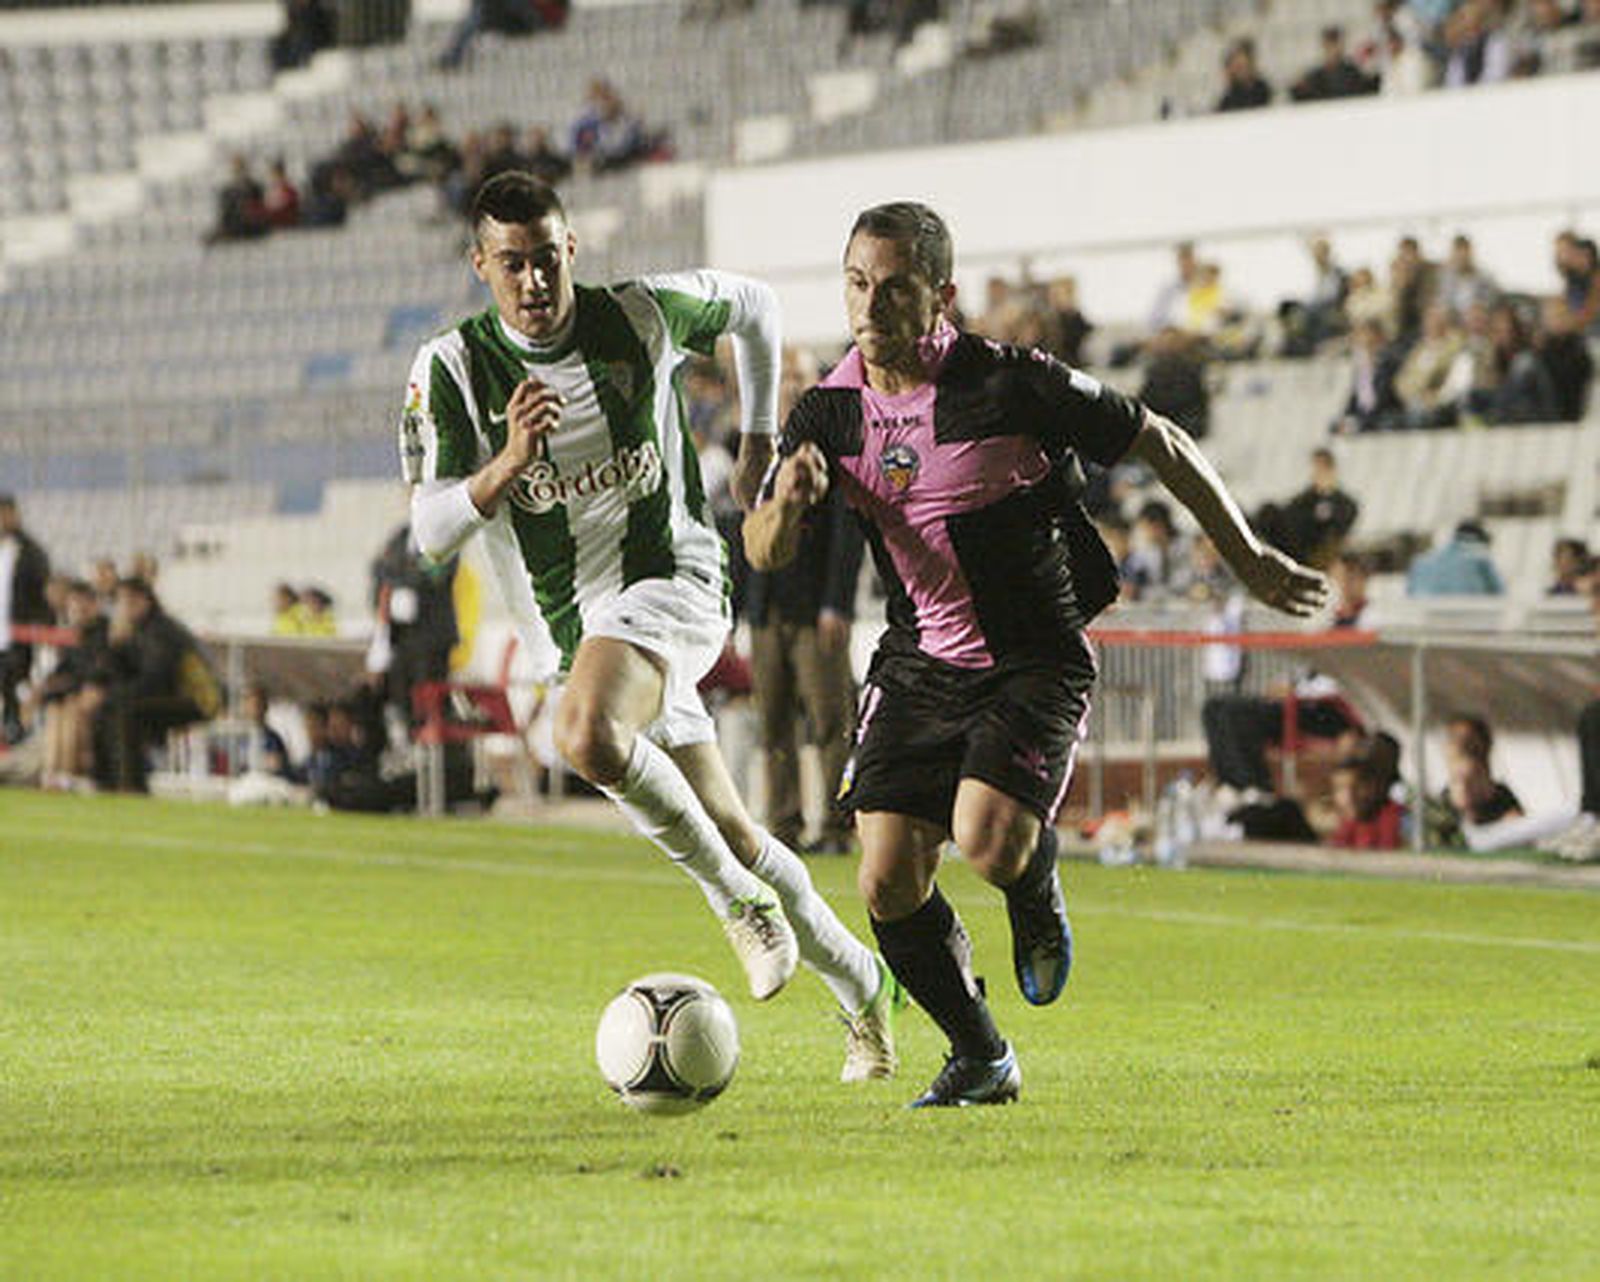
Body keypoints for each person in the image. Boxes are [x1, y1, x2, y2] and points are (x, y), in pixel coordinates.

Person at [744, 201, 1327, 1107]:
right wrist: (785, 505)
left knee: (985, 840)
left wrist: (1248, 559)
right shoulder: (827, 412)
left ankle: (1033, 876)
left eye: (894, 288)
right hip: (918, 662)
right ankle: (980, 1054)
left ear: (941, 294)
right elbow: (763, 549)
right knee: (886, 877)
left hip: (1033, 655)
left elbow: (1160, 442)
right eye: (858, 284)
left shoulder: (1007, 383)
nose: (871, 306)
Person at [399, 171, 901, 1081]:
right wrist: (507, 461)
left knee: (584, 733)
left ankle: (736, 905)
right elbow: (429, 528)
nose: (534, 282)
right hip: (575, 631)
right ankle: (864, 984)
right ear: (481, 266)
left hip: (673, 578)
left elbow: (754, 304)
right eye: (512, 264)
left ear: (571, 251)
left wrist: (756, 436)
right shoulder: (453, 369)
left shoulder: (639, 315)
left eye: (547, 259)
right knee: (736, 829)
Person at [84, 577, 221, 793]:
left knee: (126, 711)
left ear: (144, 601)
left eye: (128, 601)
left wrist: (112, 695)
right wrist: (113, 646)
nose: (123, 608)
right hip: (168, 695)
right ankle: (105, 782)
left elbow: (157, 680)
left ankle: (131, 786)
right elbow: (118, 672)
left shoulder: (162, 631)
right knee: (106, 709)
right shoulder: (136, 631)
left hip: (198, 701)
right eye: (120, 602)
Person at [1, 494, 52, 744]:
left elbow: (42, 595)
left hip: (17, 640)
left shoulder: (31, 553)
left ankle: (14, 741)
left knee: (14, 691)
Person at [1406, 520, 1504, 596]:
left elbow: (1411, 594)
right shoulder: (1480, 558)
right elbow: (1500, 594)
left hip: (1429, 619)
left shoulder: (1421, 561)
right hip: (1470, 617)